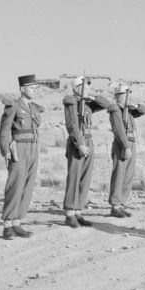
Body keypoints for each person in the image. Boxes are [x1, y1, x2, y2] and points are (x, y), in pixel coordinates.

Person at [0, 74, 44, 240]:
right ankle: (7, 225)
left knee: (27, 186)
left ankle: (17, 222)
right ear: (22, 89)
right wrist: (5, 150)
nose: (34, 90)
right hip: (18, 149)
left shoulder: (34, 108)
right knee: (15, 185)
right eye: (31, 88)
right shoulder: (13, 106)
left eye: (35, 88)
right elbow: (4, 129)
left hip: (33, 148)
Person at [62, 77, 110, 228]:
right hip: (78, 142)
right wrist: (80, 144)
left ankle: (78, 212)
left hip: (89, 140)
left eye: (88, 86)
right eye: (85, 86)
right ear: (76, 88)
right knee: (74, 177)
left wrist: (91, 97)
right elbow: (72, 126)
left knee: (85, 178)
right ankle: (70, 214)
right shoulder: (71, 102)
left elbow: (106, 104)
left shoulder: (88, 104)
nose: (88, 88)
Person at [107, 84, 145, 218]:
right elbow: (119, 130)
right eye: (125, 96)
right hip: (122, 144)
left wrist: (134, 105)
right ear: (118, 97)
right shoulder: (115, 110)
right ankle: (115, 206)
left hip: (131, 143)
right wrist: (125, 146)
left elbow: (143, 110)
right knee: (119, 175)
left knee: (128, 176)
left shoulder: (128, 110)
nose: (127, 98)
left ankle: (121, 204)